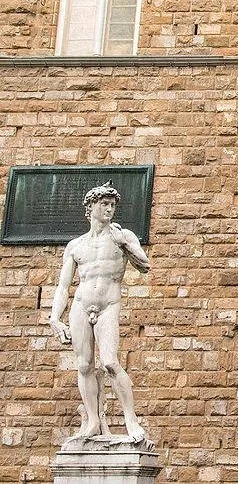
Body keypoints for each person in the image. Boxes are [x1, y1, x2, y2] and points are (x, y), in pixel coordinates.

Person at [49, 182, 150, 442]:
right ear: (91, 207)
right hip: (81, 305)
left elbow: (144, 265)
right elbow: (63, 285)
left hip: (108, 306)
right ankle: (93, 420)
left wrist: (123, 244)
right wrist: (54, 317)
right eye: (104, 204)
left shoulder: (123, 236)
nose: (109, 209)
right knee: (83, 365)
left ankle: (131, 420)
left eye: (113, 205)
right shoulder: (75, 246)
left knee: (110, 362)